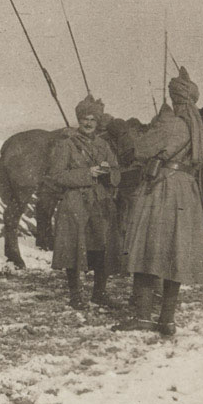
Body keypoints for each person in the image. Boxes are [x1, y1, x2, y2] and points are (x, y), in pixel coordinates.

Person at [114, 67, 203, 335]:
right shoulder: (198, 127)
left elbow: (141, 149)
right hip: (186, 190)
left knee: (147, 247)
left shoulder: (171, 122)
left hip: (163, 187)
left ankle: (143, 316)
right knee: (174, 254)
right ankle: (167, 320)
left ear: (174, 96)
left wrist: (157, 123)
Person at [49, 96, 121, 310]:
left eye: (92, 119)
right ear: (79, 120)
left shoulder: (103, 145)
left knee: (102, 246)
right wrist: (87, 173)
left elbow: (117, 172)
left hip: (100, 202)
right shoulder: (67, 145)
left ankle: (99, 293)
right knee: (74, 247)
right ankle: (75, 294)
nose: (88, 123)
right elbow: (57, 175)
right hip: (75, 202)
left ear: (98, 122)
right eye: (84, 119)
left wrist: (109, 172)